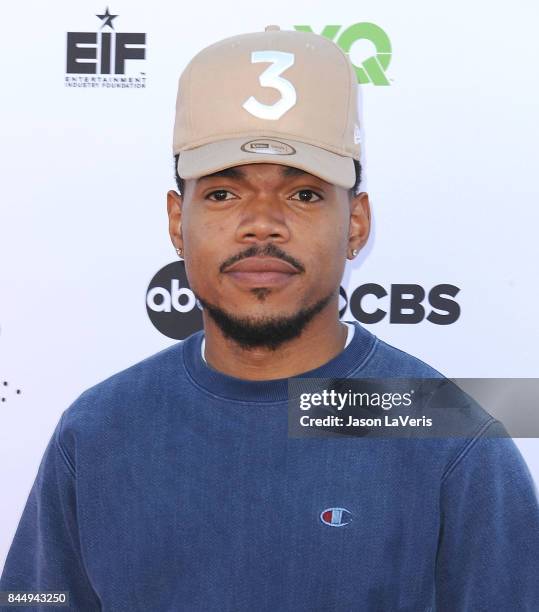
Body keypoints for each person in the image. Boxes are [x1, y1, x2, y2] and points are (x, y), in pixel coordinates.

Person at [1, 25, 538, 612]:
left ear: (355, 223)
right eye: (224, 194)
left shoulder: (449, 432)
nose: (262, 223)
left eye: (304, 194)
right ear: (178, 221)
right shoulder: (99, 428)